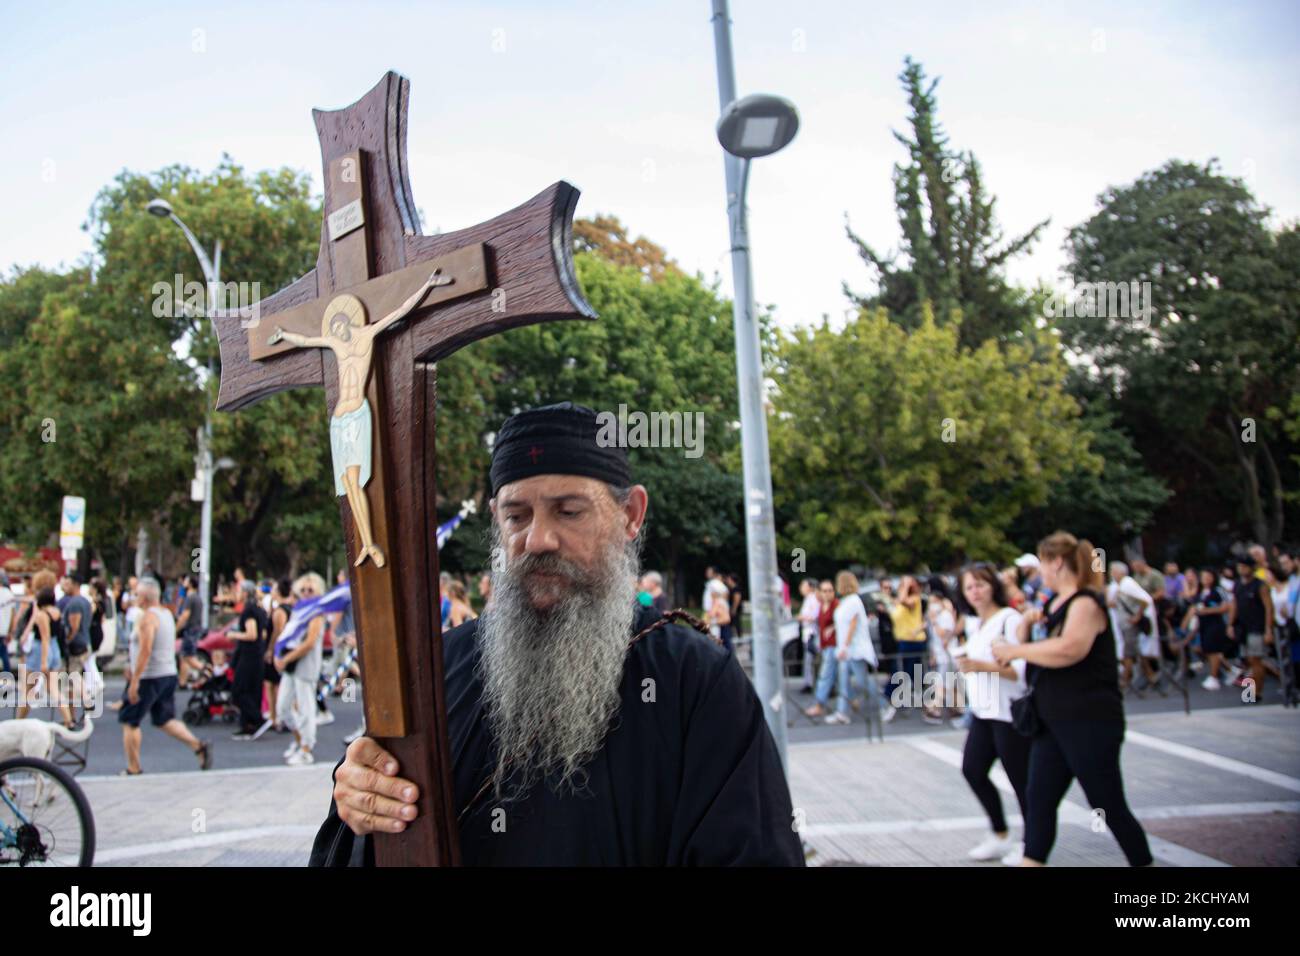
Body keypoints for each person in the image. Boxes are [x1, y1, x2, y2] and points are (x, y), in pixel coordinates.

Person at [310, 401, 802, 866]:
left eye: (569, 511)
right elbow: (371, 834)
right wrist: (358, 799)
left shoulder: (693, 680)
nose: (538, 539)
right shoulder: (437, 668)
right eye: (516, 515)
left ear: (631, 514)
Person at [992, 532, 1152, 867]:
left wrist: (1015, 650)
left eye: (1042, 564)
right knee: (1039, 800)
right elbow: (1035, 643)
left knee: (1106, 803)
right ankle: (1031, 860)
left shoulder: (1085, 603)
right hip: (1051, 722)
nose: (1039, 573)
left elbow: (1069, 650)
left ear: (1057, 563)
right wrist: (1025, 625)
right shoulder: (1052, 603)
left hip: (1089, 721)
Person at [953, 564, 1029, 865]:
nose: (975, 592)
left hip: (1009, 712)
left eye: (980, 585)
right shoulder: (976, 625)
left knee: (1020, 780)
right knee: (972, 769)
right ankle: (999, 833)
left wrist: (982, 667)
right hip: (984, 712)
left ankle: (1032, 844)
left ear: (993, 586)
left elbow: (1020, 671)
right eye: (969, 587)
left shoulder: (1009, 620)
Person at [120, 577, 212, 774]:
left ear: (144, 597)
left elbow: (146, 648)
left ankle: (133, 767)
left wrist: (135, 679)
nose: (134, 598)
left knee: (130, 721)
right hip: (167, 673)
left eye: (137, 595)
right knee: (164, 720)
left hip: (149, 676)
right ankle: (197, 745)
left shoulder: (148, 618)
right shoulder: (167, 615)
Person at [276, 572, 327, 766]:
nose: (306, 593)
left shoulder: (317, 613)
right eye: (303, 590)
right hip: (291, 664)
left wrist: (286, 657)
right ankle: (300, 741)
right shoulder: (299, 611)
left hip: (306, 664)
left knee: (306, 708)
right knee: (283, 707)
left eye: (310, 590)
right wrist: (278, 655)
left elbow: (310, 642)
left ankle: (307, 748)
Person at [824, 571, 880, 726]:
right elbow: (845, 624)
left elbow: (853, 625)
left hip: (854, 649)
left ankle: (885, 705)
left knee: (863, 681)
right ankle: (842, 712)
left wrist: (845, 646)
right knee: (843, 681)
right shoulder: (847, 602)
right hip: (848, 650)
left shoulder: (853, 601)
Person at [16, 577, 66, 721]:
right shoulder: (56, 610)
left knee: (28, 688)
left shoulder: (42, 613)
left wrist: (44, 661)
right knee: (53, 688)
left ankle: (19, 721)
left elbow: (44, 638)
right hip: (55, 647)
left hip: (41, 649)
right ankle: (68, 720)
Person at [1106, 561, 1156, 693]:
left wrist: (1137, 616)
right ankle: (1150, 674)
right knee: (1134, 651)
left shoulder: (1127, 583)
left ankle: (1125, 680)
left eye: (1113, 571)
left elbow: (1145, 600)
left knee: (1128, 652)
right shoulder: (1119, 585)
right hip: (1124, 623)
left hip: (1130, 624)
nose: (1111, 574)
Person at [1230, 554, 1274, 702]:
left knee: (1256, 660)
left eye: (1244, 566)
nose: (1241, 569)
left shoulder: (1259, 585)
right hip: (1243, 626)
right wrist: (1230, 624)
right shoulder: (1237, 585)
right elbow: (1234, 605)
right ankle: (1250, 692)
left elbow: (1268, 608)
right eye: (1239, 567)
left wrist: (1268, 629)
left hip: (1257, 626)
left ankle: (1256, 692)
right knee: (1247, 661)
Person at [883, 575, 926, 723]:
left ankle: (891, 698)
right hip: (903, 640)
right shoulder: (900, 603)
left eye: (906, 585)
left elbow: (903, 601)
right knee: (911, 672)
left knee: (900, 671)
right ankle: (915, 698)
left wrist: (907, 586)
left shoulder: (914, 599)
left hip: (912, 641)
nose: (903, 586)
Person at [231, 579, 270, 739]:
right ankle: (248, 725)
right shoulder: (260, 609)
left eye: (239, 591)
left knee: (239, 690)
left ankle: (256, 719)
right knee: (253, 690)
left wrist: (232, 634)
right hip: (257, 654)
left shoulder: (249, 611)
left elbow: (252, 634)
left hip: (248, 655)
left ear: (245, 593)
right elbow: (263, 634)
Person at [802, 580, 838, 719]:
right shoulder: (822, 605)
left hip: (834, 645)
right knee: (844, 677)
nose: (827, 593)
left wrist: (833, 627)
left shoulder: (836, 605)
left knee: (824, 676)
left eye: (830, 590)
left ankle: (818, 705)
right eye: (824, 591)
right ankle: (849, 704)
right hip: (825, 645)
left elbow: (842, 621)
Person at [267, 578, 294, 730]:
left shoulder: (280, 611)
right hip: (283, 650)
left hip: (279, 650)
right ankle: (278, 716)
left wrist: (271, 650)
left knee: (273, 684)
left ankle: (276, 717)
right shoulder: (287, 607)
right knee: (277, 684)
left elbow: (278, 632)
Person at [796, 578, 820, 694]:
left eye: (803, 585)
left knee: (810, 659)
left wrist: (802, 617)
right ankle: (809, 682)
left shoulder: (813, 599)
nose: (801, 587)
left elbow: (814, 615)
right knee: (808, 659)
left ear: (810, 587)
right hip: (808, 632)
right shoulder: (808, 599)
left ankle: (810, 683)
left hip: (811, 632)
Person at [0, 570, 15, 675]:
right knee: (4, 655)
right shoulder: (9, 594)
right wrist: (10, 631)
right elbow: (13, 615)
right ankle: (7, 679)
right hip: (4, 630)